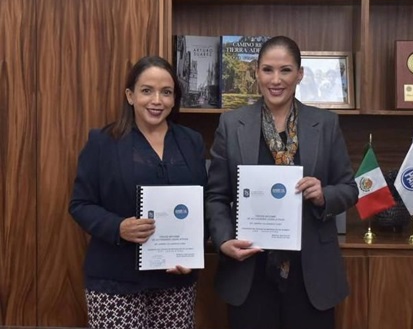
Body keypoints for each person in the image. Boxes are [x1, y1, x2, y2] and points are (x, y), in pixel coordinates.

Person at [205, 36, 358, 329]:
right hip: (249, 268)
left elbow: (349, 189)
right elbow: (216, 196)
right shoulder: (232, 124)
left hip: (310, 271)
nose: (276, 80)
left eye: (285, 70)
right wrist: (223, 240)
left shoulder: (325, 124)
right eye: (267, 70)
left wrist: (323, 195)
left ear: (300, 74)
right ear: (256, 72)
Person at [69, 55, 208, 329]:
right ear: (130, 96)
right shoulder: (103, 142)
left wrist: (192, 254)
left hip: (175, 278)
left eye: (166, 92)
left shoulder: (191, 142)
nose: (157, 100)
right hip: (115, 278)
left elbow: (202, 205)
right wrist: (118, 227)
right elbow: (80, 204)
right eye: (147, 91)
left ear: (174, 99)